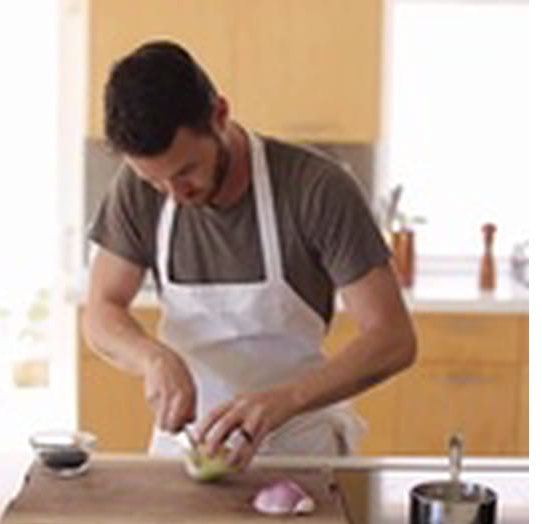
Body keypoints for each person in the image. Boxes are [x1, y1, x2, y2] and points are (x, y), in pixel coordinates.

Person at [83, 40, 416, 469]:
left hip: (296, 448)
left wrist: (287, 399)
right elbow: (101, 311)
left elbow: (392, 338)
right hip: (186, 449)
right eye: (155, 182)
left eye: (186, 171)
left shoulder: (315, 189)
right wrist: (152, 358)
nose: (174, 194)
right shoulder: (136, 190)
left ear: (220, 115)